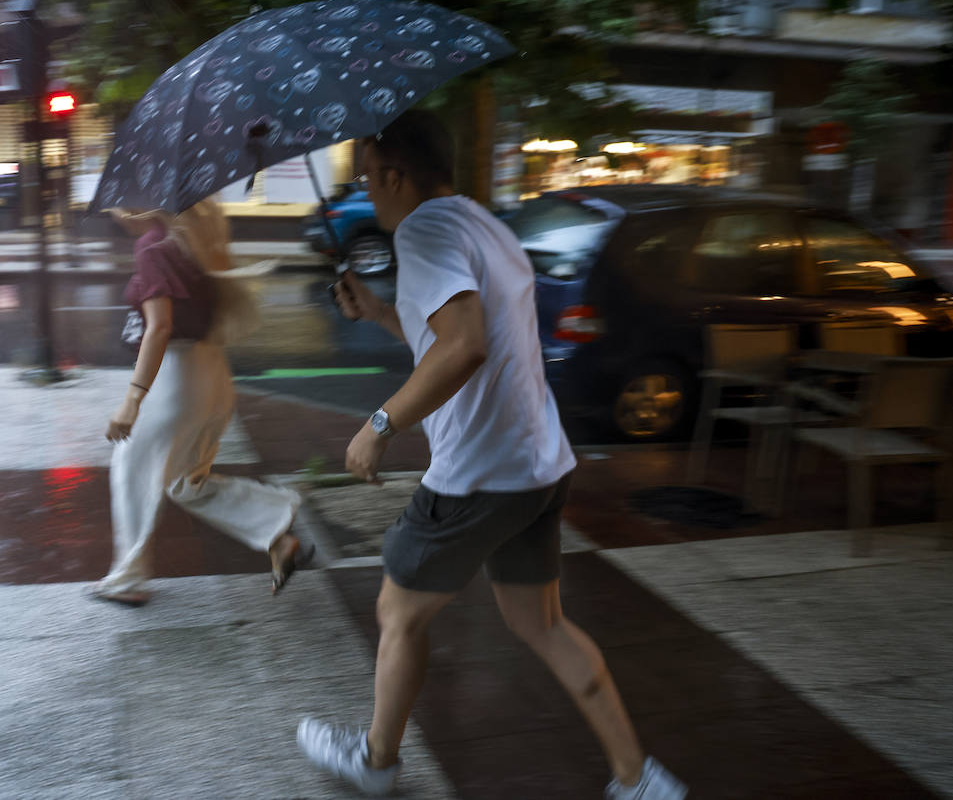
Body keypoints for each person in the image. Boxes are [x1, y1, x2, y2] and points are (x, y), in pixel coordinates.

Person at [296, 111, 686, 799]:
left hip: (476, 473)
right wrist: (379, 313)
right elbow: (463, 335)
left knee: (398, 612)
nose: (366, 190)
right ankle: (640, 779)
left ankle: (377, 761)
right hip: (536, 464)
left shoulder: (423, 231)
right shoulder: (485, 223)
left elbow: (464, 345)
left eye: (367, 176)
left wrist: (380, 424)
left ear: (395, 175)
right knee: (542, 622)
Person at [94, 198, 310, 607]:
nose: (112, 212)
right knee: (184, 482)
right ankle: (276, 532)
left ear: (137, 204)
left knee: (131, 468)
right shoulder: (191, 242)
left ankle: (127, 580)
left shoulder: (152, 248)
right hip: (210, 372)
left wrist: (132, 401)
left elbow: (159, 328)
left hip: (175, 377)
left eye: (117, 203)